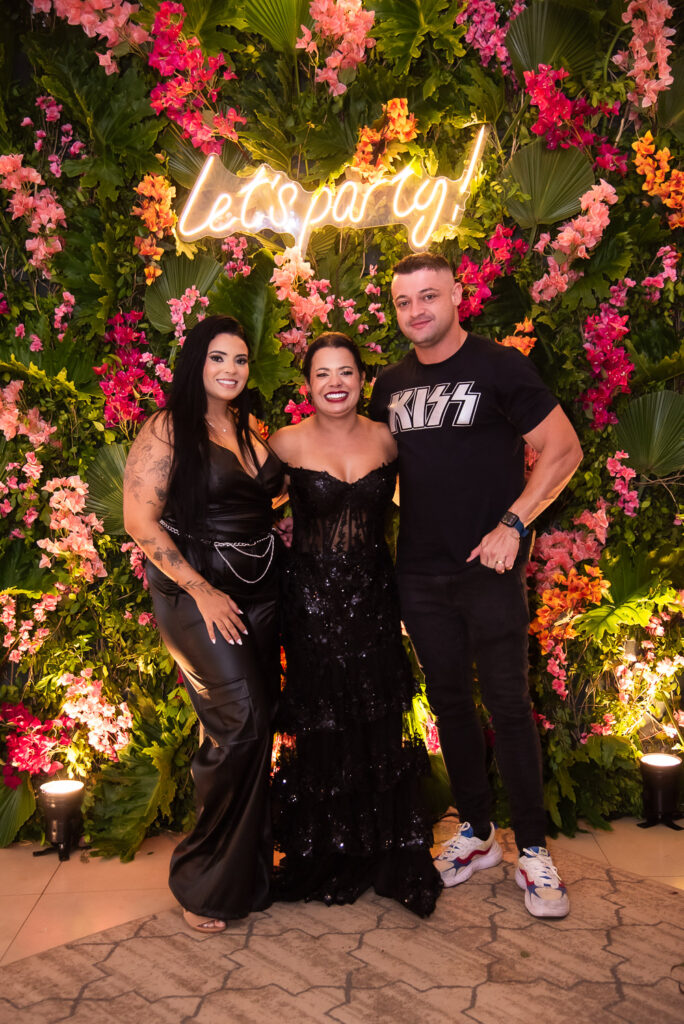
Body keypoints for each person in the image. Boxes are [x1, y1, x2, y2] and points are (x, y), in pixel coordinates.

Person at [369, 253, 583, 919]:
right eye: (404, 301)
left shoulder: (498, 367)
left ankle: (535, 851)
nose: (416, 311)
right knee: (450, 706)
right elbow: (376, 469)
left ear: (458, 295)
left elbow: (564, 449)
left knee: (510, 707)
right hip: (420, 574)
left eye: (428, 296)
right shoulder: (389, 385)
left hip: (488, 571)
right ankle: (479, 834)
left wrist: (513, 523)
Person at [269, 332, 442, 917]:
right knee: (323, 725)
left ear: (362, 380)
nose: (335, 383)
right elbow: (240, 509)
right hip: (310, 606)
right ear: (307, 384)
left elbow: (427, 502)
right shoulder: (284, 442)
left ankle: (382, 849)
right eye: (323, 373)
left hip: (373, 600)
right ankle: (327, 849)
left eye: (345, 371)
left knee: (376, 722)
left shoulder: (388, 439)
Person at [123, 314, 284, 932]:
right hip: (198, 591)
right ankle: (201, 878)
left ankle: (246, 874)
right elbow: (140, 522)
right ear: (197, 362)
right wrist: (202, 590)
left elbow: (260, 500)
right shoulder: (168, 428)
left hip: (262, 590)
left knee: (257, 724)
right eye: (219, 358)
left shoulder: (246, 426)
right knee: (242, 723)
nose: (231, 369)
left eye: (240, 359)